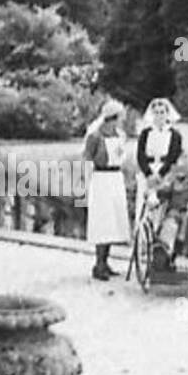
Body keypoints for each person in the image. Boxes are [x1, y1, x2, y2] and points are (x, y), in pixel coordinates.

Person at [82, 99, 131, 281]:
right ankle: (99, 263)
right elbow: (87, 160)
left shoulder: (120, 135)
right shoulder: (95, 137)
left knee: (113, 222)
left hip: (115, 178)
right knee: (103, 221)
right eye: (120, 117)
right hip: (101, 180)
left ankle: (106, 261)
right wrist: (86, 184)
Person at [135, 98, 183, 189]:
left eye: (162, 112)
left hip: (166, 172)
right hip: (147, 172)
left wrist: (161, 174)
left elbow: (173, 155)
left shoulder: (174, 134)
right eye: (156, 113)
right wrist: (148, 173)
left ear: (167, 114)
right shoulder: (145, 133)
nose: (159, 116)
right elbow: (140, 154)